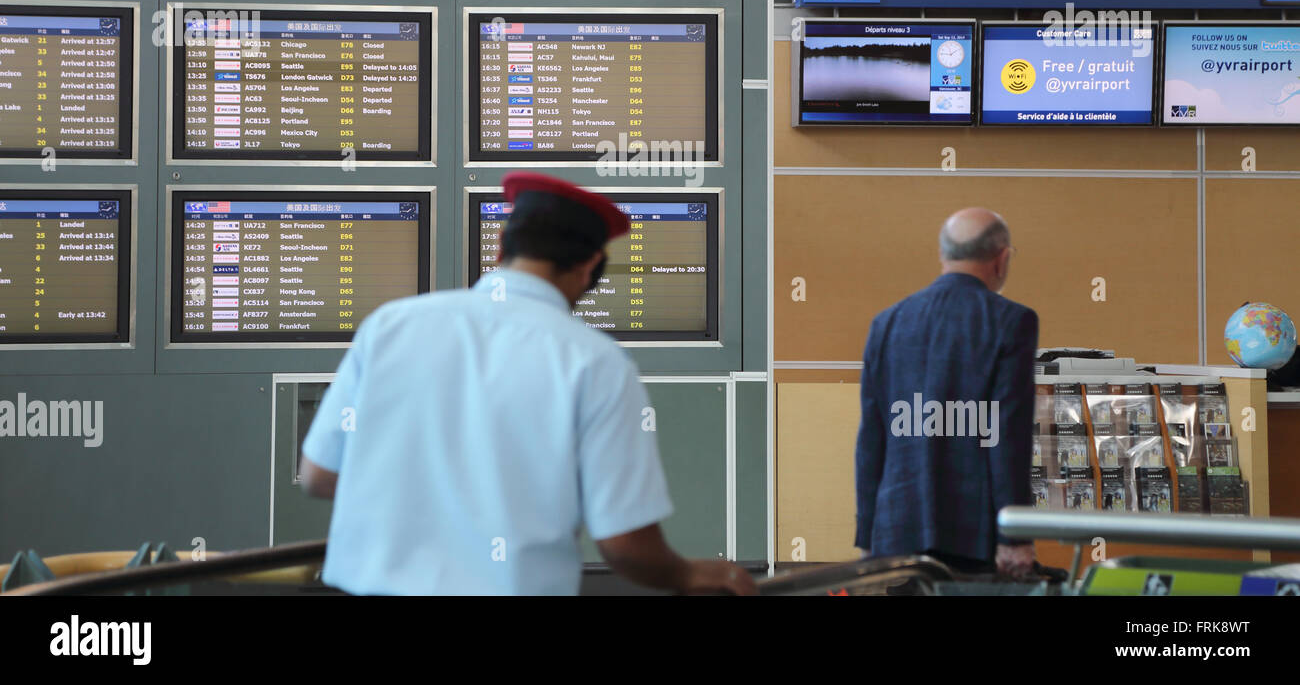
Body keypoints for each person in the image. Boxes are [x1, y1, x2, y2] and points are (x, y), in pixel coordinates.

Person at [299, 172, 756, 596]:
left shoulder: (390, 326)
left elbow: (320, 476)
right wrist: (695, 573)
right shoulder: (595, 362)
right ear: (591, 265)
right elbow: (624, 542)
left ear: (500, 247)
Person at [854, 208, 1039, 578]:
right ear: (1001, 259)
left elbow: (871, 438)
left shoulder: (886, 322)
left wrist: (868, 535)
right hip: (973, 532)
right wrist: (1014, 536)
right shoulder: (1011, 321)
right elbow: (1006, 436)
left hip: (896, 531)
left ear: (943, 256)